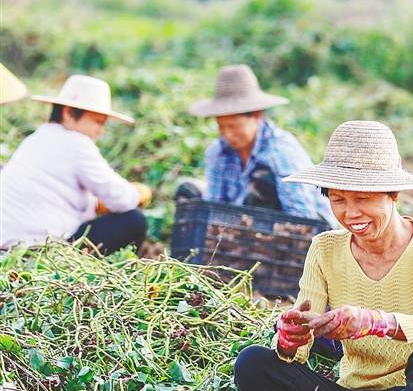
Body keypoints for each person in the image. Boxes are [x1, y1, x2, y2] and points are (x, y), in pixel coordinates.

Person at [234, 120, 413, 391]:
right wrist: (290, 339)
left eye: (363, 198)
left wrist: (377, 323)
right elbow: (297, 352)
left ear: (394, 194)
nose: (350, 213)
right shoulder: (324, 249)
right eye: (338, 199)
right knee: (253, 363)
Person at [0, 75, 150, 255]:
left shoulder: (36, 138)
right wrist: (140, 193)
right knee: (133, 220)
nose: (100, 131)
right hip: (44, 248)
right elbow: (121, 199)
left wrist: (96, 204)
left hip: (10, 243)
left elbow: (59, 192)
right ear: (68, 113)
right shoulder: (77, 144)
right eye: (98, 122)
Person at [183, 64, 335, 226]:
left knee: (262, 181)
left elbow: (301, 215)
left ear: (256, 116)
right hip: (242, 225)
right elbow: (215, 205)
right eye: (221, 127)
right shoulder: (217, 152)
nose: (227, 134)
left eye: (234, 127)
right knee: (187, 192)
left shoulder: (281, 151)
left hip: (303, 226)